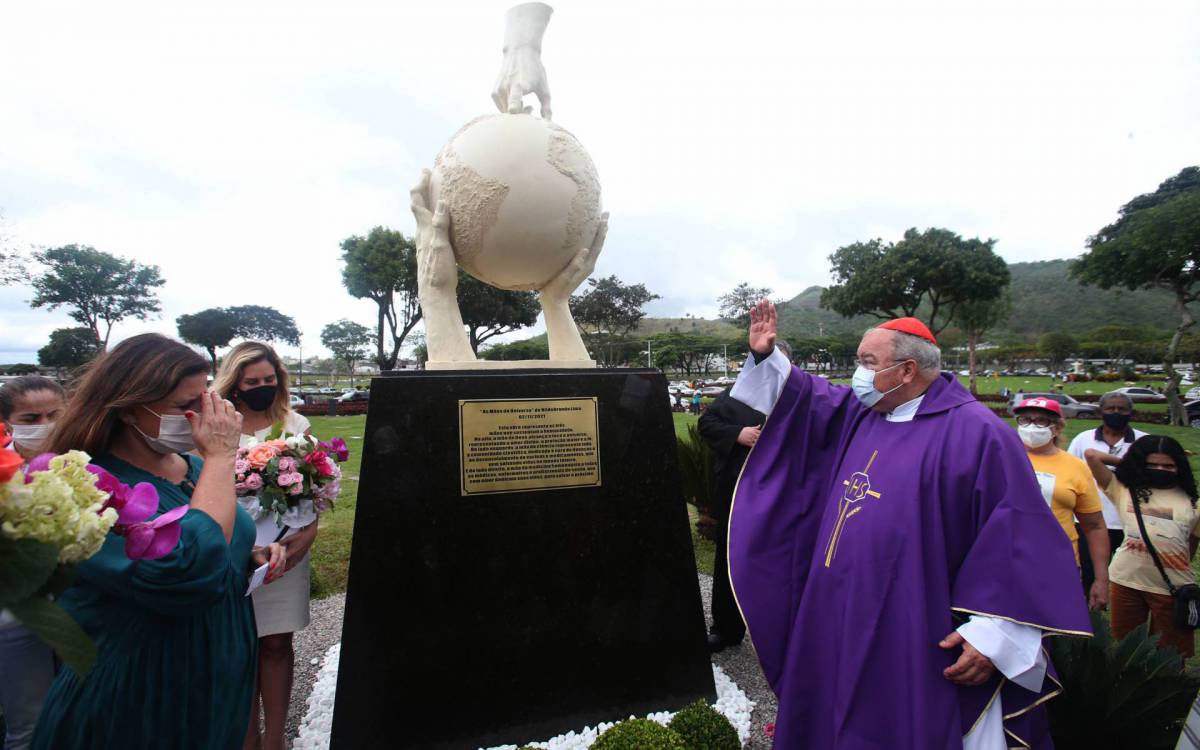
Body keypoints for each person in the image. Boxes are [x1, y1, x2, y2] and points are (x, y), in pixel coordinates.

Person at [727, 300, 1089, 750]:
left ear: (906, 371)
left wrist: (996, 635)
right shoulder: (865, 414)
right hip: (837, 613)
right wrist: (766, 355)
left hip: (916, 627)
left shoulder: (978, 434)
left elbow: (1020, 540)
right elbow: (806, 399)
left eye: (867, 363)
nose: (857, 373)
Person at [31, 334, 284, 750]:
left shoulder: (192, 467)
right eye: (182, 406)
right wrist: (223, 457)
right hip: (141, 692)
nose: (200, 415)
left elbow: (215, 535)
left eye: (203, 400)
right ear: (130, 408)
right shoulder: (82, 487)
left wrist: (247, 554)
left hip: (214, 679)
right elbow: (183, 571)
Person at [214, 342, 317, 750]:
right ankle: (246, 739)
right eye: (252, 381)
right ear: (234, 383)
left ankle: (275, 738)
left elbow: (315, 489)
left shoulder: (295, 424)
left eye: (269, 380)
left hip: (286, 550)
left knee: (276, 643)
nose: (262, 387)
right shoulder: (216, 425)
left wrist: (309, 533)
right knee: (237, 649)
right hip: (228, 552)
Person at [696, 344, 792, 652]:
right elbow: (706, 423)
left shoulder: (798, 398)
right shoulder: (737, 393)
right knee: (730, 558)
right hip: (736, 491)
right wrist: (738, 433)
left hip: (783, 493)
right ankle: (726, 629)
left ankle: (785, 631)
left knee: (782, 562)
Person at [1085, 435, 1200, 658]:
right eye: (1153, 464)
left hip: (1172, 588)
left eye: (1168, 465)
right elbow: (1092, 455)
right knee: (1125, 648)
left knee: (1171, 654)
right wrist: (1133, 464)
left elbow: (1190, 547)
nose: (1160, 469)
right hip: (1125, 580)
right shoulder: (1123, 488)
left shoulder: (1193, 502)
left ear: (1179, 466)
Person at [0, 376, 66, 750]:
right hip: (17, 617)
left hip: (79, 605)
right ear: (7, 423)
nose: (44, 425)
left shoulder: (85, 461)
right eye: (30, 418)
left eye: (53, 414)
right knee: (30, 725)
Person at [1013, 397, 1109, 608]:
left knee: (1054, 634)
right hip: (1008, 561)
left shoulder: (1076, 467)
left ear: (1056, 429)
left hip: (1056, 564)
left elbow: (1094, 526)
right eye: (1025, 420)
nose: (1031, 426)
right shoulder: (1002, 457)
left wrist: (1101, 579)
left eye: (1040, 421)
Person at [1067, 391, 1146, 592]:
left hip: (1130, 522)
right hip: (1088, 520)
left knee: (1129, 580)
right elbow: (1068, 473)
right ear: (1101, 411)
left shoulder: (1144, 442)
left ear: (1131, 412)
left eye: (1122, 409)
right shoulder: (1083, 439)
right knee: (1087, 575)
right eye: (1111, 408)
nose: (1116, 412)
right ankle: (1089, 616)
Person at [0, 375, 65, 459]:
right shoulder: (3, 466)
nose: (46, 425)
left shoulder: (82, 460)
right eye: (30, 420)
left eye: (54, 415)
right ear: (5, 422)